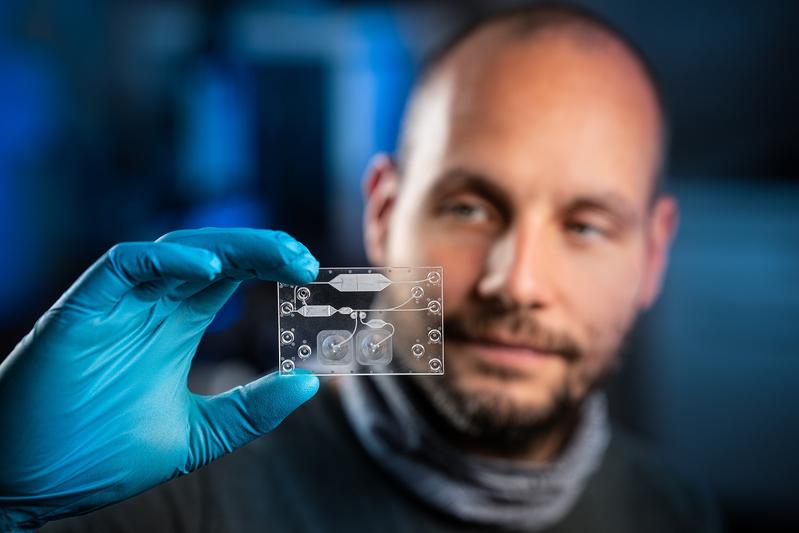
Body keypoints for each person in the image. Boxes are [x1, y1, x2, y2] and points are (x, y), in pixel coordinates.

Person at [0, 4, 720, 532]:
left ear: (652, 255)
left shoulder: (675, 511)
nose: (517, 283)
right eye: (469, 208)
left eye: (585, 226)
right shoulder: (177, 489)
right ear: (381, 215)